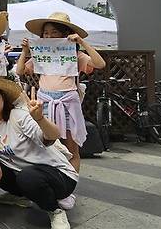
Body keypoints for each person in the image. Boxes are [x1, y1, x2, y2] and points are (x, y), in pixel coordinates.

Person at [0, 78, 78, 229]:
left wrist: (40, 119)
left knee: (28, 177)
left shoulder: (18, 116)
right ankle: (22, 196)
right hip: (25, 175)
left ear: (4, 99)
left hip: (59, 176)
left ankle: (55, 211)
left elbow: (51, 136)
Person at [16, 12, 105, 173]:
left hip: (67, 103)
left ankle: (69, 186)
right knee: (45, 147)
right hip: (44, 104)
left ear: (65, 34)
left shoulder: (76, 55)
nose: (49, 36)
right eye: (46, 33)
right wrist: (24, 51)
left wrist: (82, 42)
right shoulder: (41, 54)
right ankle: (53, 181)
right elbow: (20, 70)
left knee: (71, 149)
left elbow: (100, 64)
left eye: (54, 32)